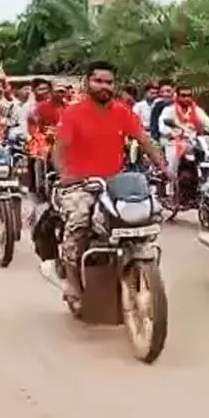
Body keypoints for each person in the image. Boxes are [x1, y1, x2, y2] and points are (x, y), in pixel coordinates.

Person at [52, 62, 165, 306]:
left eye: (109, 82)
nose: (105, 86)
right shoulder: (73, 113)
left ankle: (138, 269)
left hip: (115, 182)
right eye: (99, 81)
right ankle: (71, 280)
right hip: (79, 183)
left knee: (146, 215)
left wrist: (164, 167)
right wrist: (64, 174)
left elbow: (144, 140)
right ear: (87, 83)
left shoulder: (122, 111)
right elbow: (58, 149)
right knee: (80, 220)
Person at [158, 85, 209, 177]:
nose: (187, 98)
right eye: (183, 96)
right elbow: (162, 127)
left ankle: (207, 182)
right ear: (177, 97)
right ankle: (171, 182)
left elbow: (207, 122)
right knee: (172, 167)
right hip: (173, 142)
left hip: (193, 142)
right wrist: (174, 133)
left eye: (189, 96)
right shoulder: (169, 110)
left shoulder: (196, 109)